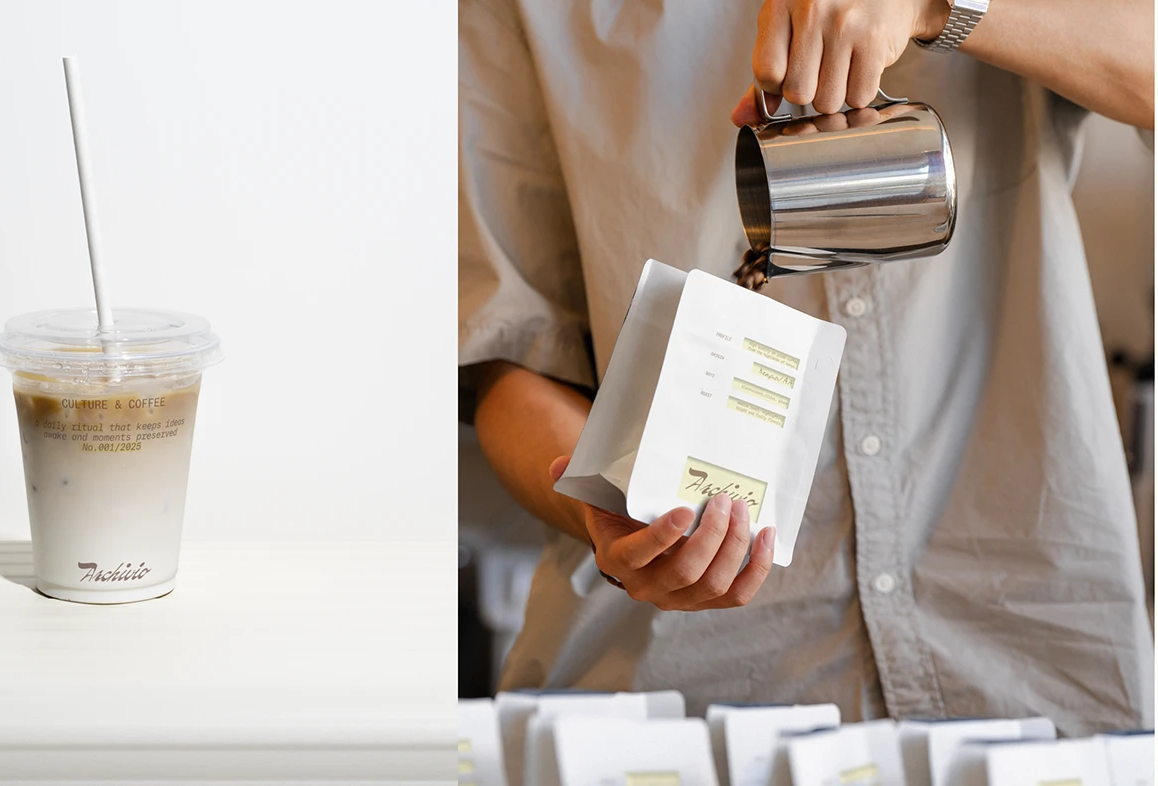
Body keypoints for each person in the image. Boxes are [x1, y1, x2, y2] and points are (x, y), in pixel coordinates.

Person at [459, 0, 1155, 736]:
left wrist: (937, 6)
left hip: (1026, 650)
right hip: (682, 691)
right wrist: (606, 513)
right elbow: (507, 352)